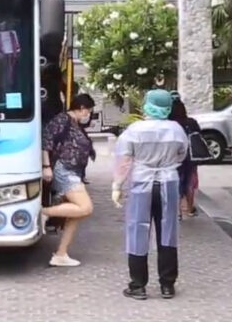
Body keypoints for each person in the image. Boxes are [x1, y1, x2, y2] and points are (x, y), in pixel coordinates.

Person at [112, 90, 188, 300]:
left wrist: (117, 185)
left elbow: (124, 159)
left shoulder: (135, 130)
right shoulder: (176, 130)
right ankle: (167, 285)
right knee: (168, 231)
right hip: (169, 182)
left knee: (137, 230)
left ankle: (138, 285)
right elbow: (182, 154)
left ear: (147, 106)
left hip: (141, 182)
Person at [41, 94, 95, 267]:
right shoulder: (62, 120)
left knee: (74, 215)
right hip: (65, 170)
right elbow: (46, 141)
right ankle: (42, 213)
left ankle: (61, 253)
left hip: (73, 171)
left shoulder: (74, 124)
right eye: (89, 111)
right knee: (85, 207)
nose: (89, 115)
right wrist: (46, 166)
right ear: (81, 108)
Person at [169, 98, 201, 219]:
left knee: (177, 182)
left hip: (175, 157)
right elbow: (199, 135)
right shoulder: (191, 122)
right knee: (189, 182)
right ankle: (190, 208)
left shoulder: (170, 124)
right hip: (191, 156)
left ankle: (177, 212)